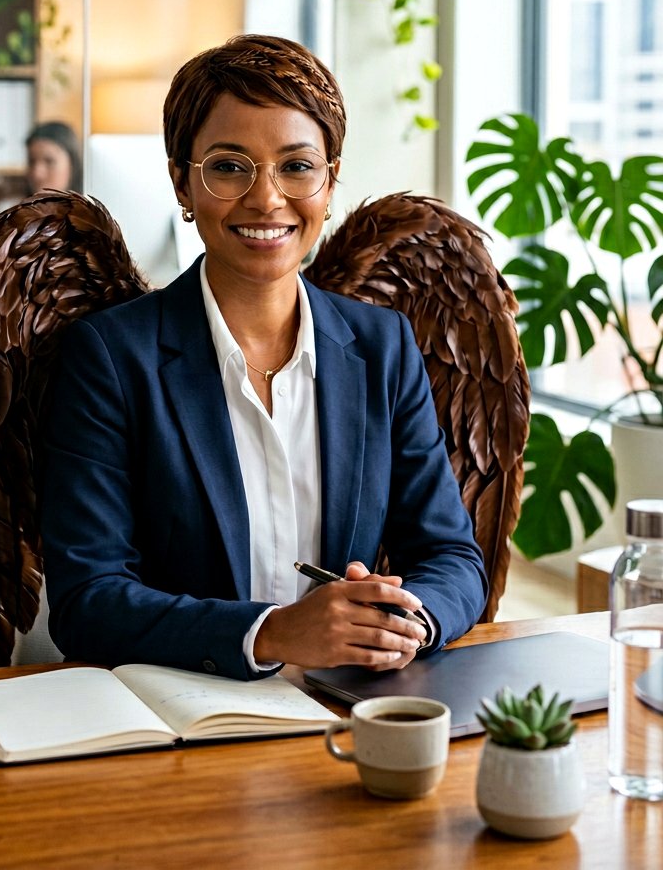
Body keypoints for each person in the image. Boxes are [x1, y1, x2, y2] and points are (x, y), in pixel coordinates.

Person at [40, 35, 487, 680]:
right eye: (229, 166)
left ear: (330, 180)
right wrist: (272, 632)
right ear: (181, 183)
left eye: (297, 166)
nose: (266, 198)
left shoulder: (383, 347)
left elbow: (451, 555)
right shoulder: (112, 357)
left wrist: (405, 619)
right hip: (187, 711)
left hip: (347, 703)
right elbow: (87, 600)